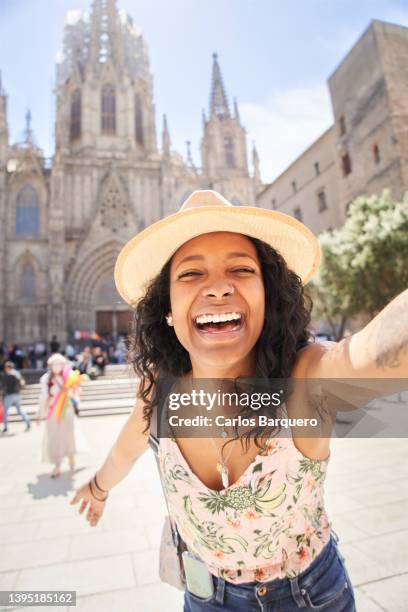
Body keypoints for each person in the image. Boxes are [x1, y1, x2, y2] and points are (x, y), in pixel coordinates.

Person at [70, 190, 408, 611]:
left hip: (308, 597)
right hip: (204, 596)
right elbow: (128, 446)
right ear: (167, 310)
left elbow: (375, 358)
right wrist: (99, 487)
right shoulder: (163, 392)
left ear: (268, 297)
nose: (218, 287)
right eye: (191, 274)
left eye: (241, 268)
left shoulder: (302, 385)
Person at [37, 353, 85, 478]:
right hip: (53, 411)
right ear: (50, 365)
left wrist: (73, 388)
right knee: (54, 436)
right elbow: (44, 397)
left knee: (69, 433)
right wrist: (41, 413)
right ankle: (57, 464)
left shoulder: (68, 376)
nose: (57, 366)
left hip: (66, 409)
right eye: (55, 364)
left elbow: (76, 392)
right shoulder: (46, 379)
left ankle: (71, 456)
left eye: (60, 363)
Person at [0, 361, 30, 433]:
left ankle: (6, 427)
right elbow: (23, 383)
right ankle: (28, 422)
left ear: (8, 367)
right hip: (18, 395)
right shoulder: (17, 374)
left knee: (5, 412)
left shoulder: (8, 375)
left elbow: (3, 387)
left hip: (9, 395)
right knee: (19, 410)